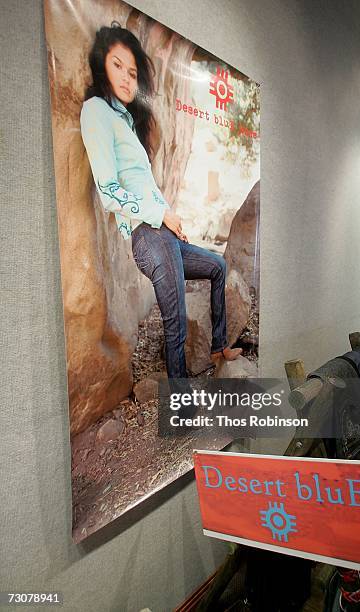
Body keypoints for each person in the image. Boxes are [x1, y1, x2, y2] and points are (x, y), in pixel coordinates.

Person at [80, 24, 242, 379]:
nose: (126, 78)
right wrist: (162, 215)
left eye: (132, 72)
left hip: (164, 233)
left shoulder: (124, 119)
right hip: (147, 236)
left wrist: (172, 222)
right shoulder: (96, 112)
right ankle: (180, 405)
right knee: (175, 320)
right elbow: (108, 192)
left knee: (217, 266)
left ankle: (217, 347)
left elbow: (144, 187)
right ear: (101, 65)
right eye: (117, 65)